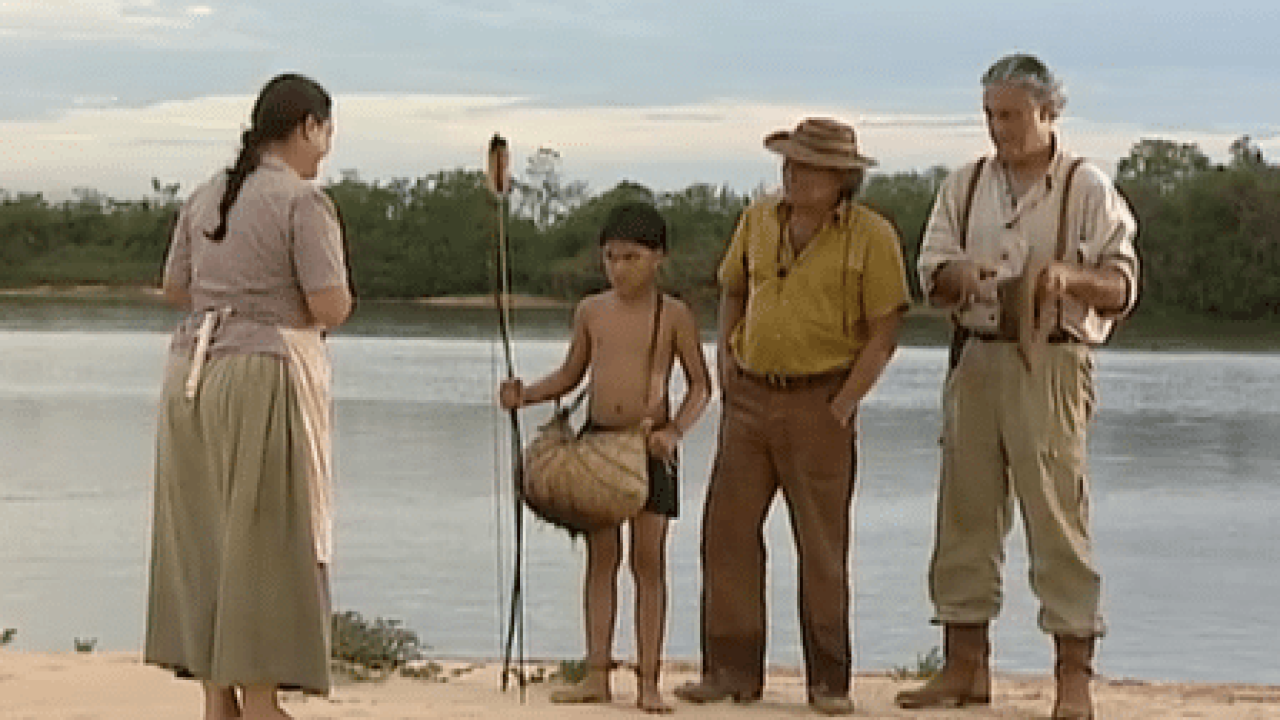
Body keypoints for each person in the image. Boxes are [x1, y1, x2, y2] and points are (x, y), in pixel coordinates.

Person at [895, 53, 1138, 720]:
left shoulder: (1086, 187)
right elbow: (930, 271)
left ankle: (1073, 680)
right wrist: (961, 276)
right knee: (965, 514)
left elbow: (1121, 287)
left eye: (1010, 115)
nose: (998, 128)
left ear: (1048, 111)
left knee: (1057, 515)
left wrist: (1066, 278)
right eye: (990, 115)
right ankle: (964, 667)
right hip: (976, 356)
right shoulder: (966, 183)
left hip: (1052, 362)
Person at [674, 117, 910, 716]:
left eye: (807, 165)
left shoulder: (872, 236)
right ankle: (729, 671)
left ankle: (828, 682)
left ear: (841, 178)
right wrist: (725, 358)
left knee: (822, 547)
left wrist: (844, 404)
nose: (792, 173)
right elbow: (732, 288)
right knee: (726, 535)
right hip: (750, 396)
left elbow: (885, 334)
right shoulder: (757, 219)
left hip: (822, 401)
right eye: (788, 162)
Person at [145, 72, 352, 720]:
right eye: (325, 134)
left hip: (189, 374)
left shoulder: (205, 194)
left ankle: (218, 698)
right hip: (260, 371)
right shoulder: (301, 202)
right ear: (308, 126)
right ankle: (260, 700)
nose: (325, 150)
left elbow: (176, 289)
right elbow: (329, 305)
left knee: (206, 532)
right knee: (264, 536)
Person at [499, 202, 712, 714]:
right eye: (611, 258)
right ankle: (597, 673)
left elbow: (702, 386)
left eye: (632, 257)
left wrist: (675, 431)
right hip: (597, 444)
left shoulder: (674, 314)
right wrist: (525, 394)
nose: (619, 268)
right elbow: (570, 377)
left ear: (657, 257)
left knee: (648, 562)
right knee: (600, 561)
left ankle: (649, 681)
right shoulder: (591, 311)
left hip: (649, 448)